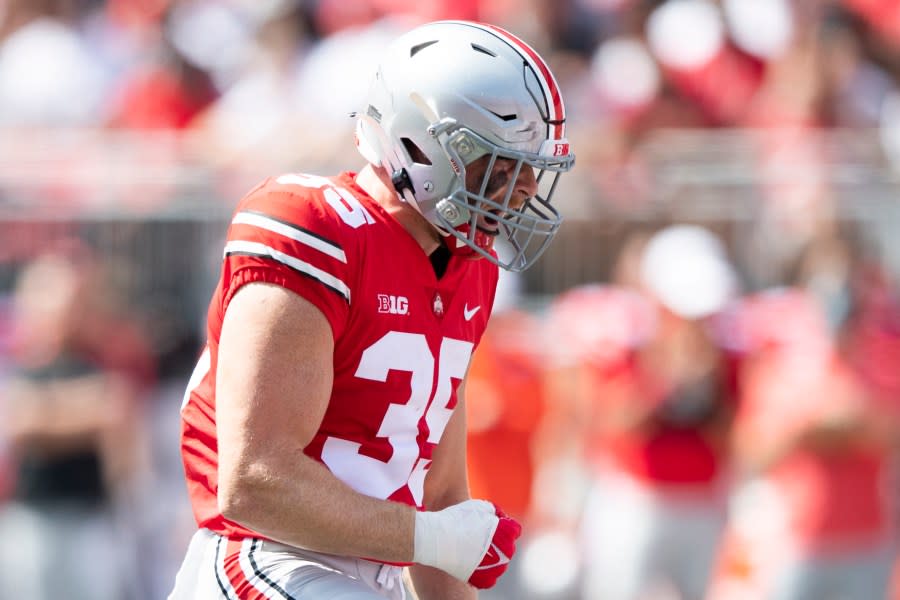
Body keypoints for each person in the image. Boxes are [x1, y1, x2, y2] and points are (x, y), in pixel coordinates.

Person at [169, 19, 575, 600]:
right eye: (501, 163)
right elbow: (256, 482)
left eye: (530, 166)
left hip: (376, 575)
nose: (522, 186)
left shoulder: (471, 267)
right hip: (267, 557)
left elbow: (440, 497)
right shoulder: (312, 226)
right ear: (423, 140)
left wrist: (435, 541)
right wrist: (429, 538)